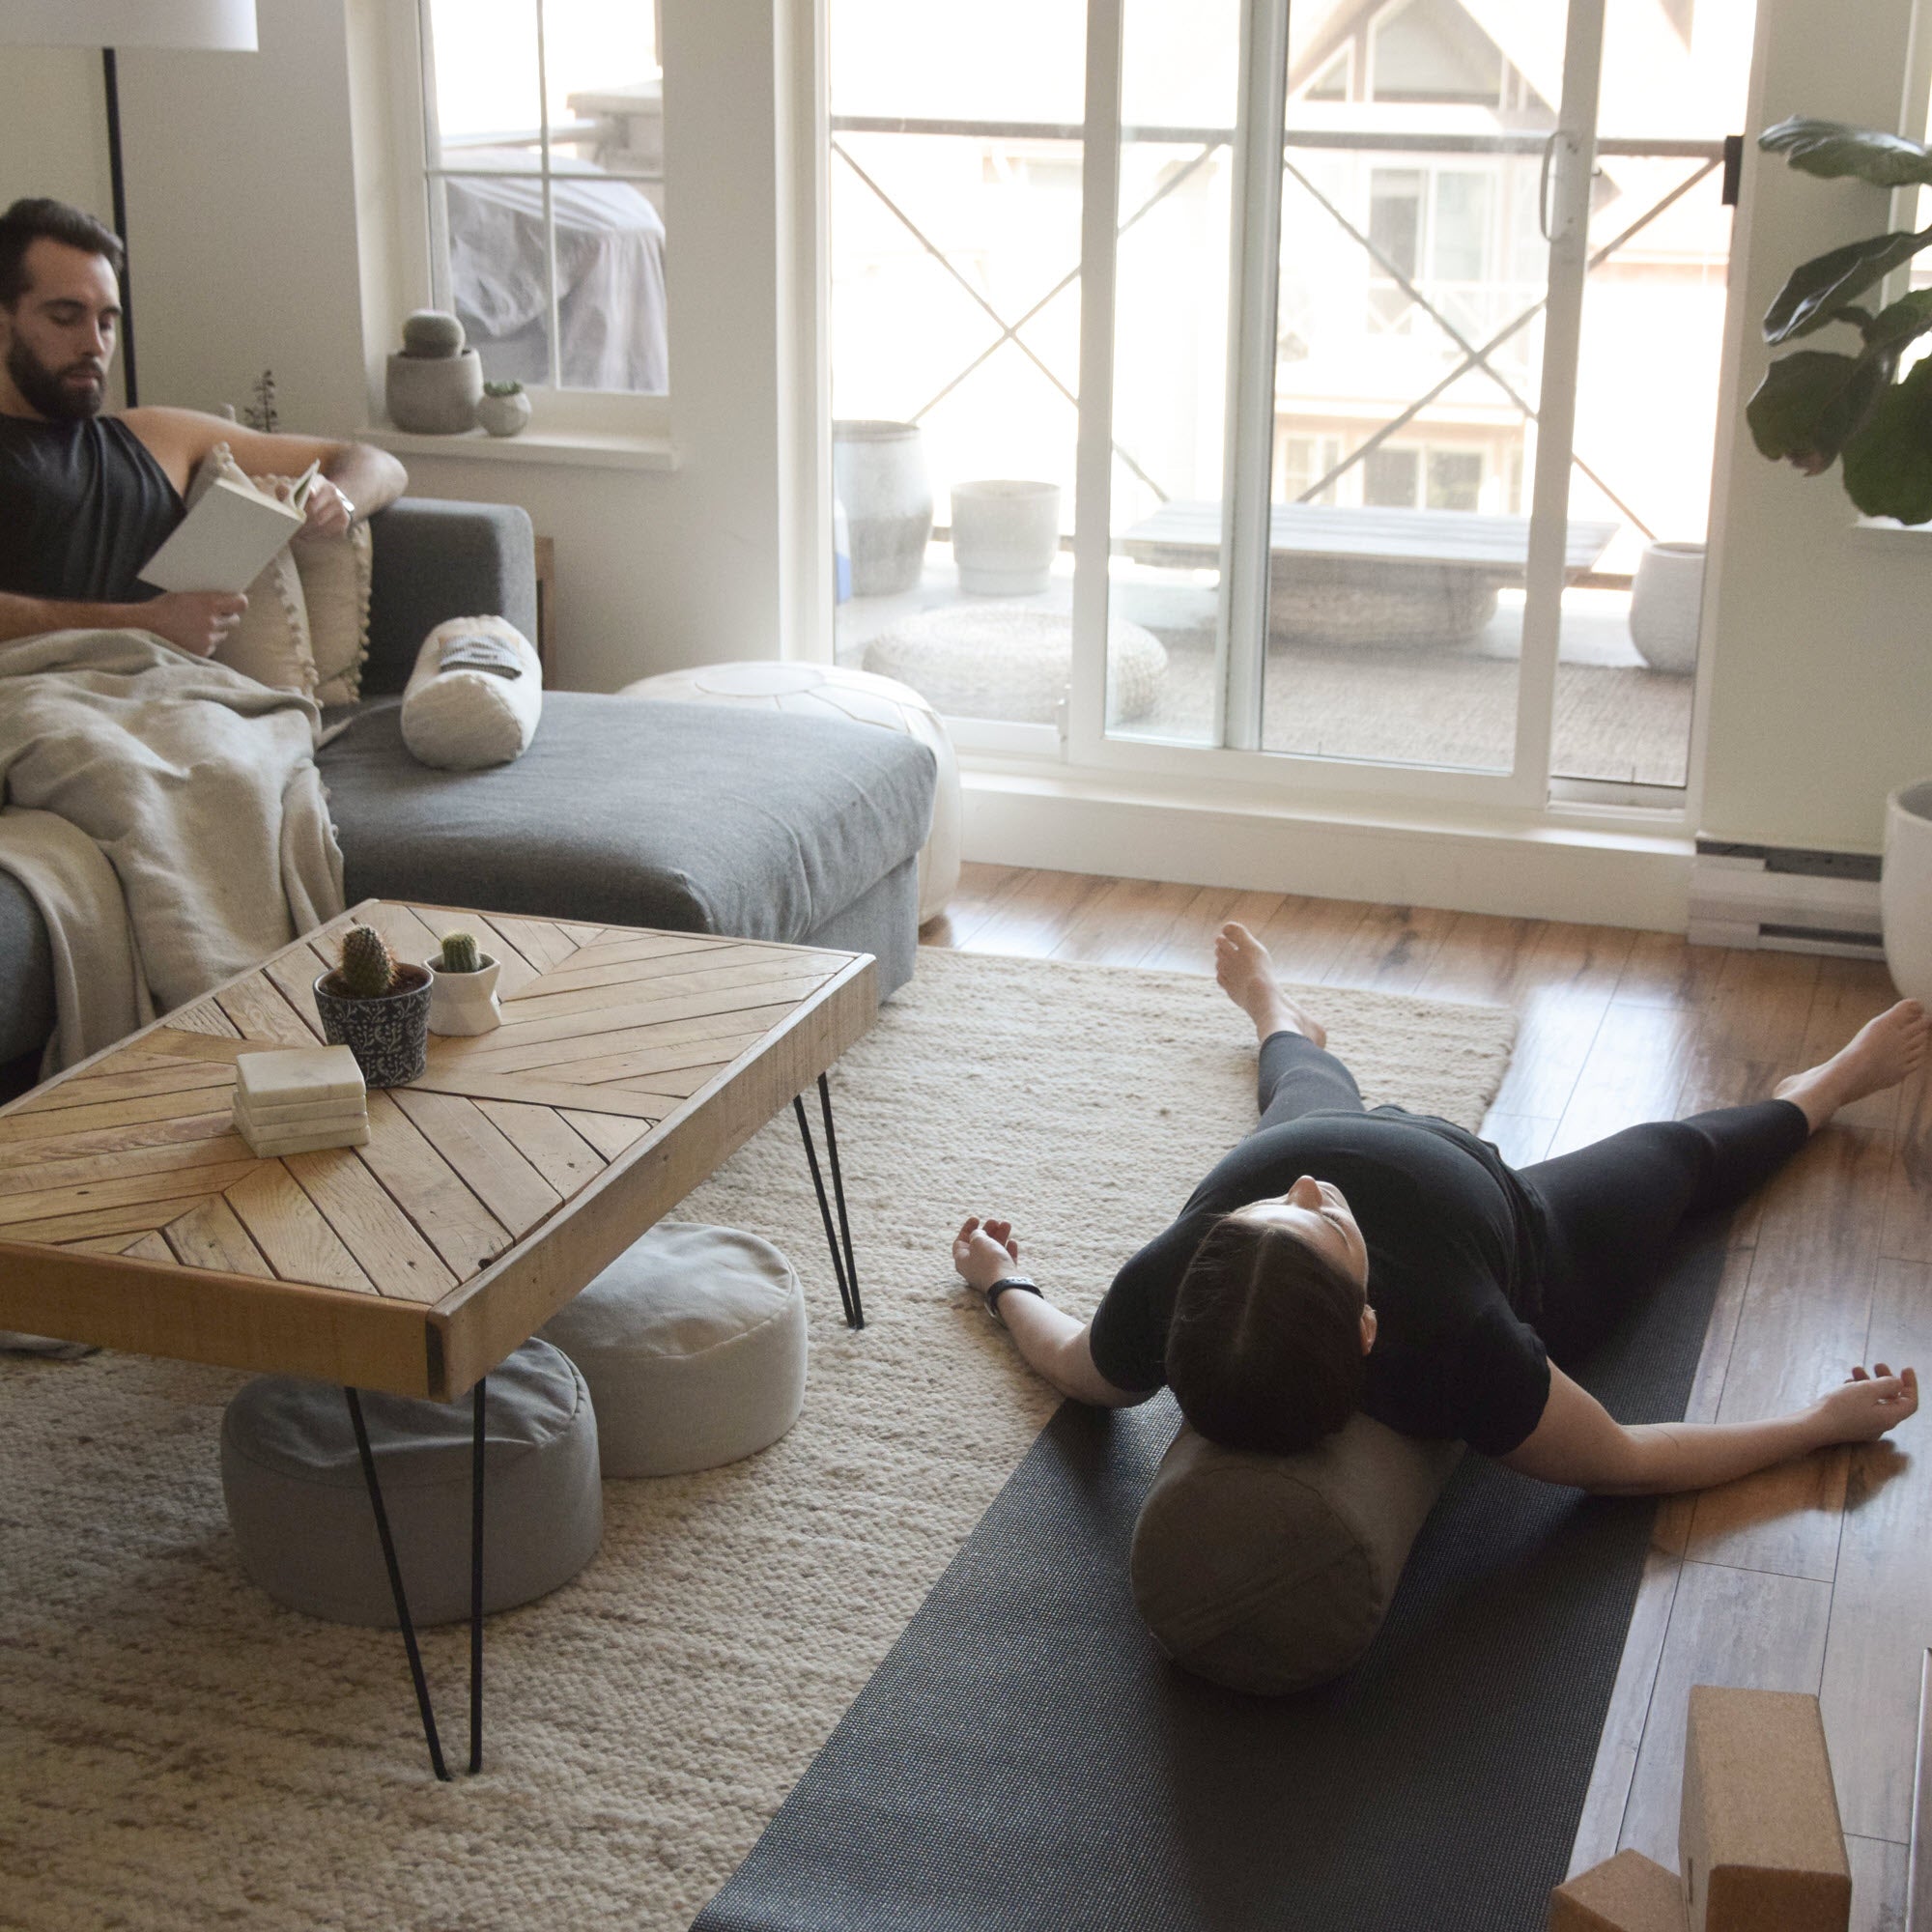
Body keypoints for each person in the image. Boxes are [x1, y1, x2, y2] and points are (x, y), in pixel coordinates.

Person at [952, 922, 1923, 1493]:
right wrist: (1813, 1424)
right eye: (1320, 1223)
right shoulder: (1468, 1343)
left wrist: (1002, 1280)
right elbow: (1625, 1458)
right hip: (1516, 1225)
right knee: (1674, 1155)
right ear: (1368, 1325)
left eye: (1257, 1216)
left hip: (1314, 1128)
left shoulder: (1177, 1271)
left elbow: (1068, 1363)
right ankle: (1827, 1083)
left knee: (1299, 1086)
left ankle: (1275, 1014)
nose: (1299, 1195)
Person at [0, 196, 407, 659]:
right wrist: (143, 622)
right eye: (65, 318)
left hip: (171, 696)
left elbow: (379, 463)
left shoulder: (155, 438)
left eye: (108, 323)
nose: (94, 343)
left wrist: (342, 500)